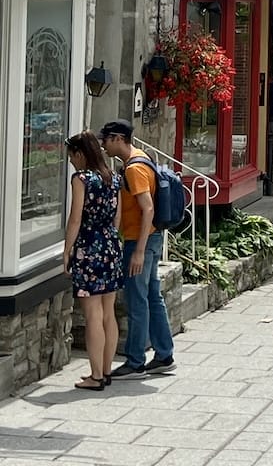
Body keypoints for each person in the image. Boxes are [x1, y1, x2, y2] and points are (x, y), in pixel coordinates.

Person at [98, 120, 175, 377]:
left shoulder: (133, 169)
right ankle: (164, 355)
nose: (103, 145)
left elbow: (148, 208)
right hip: (152, 238)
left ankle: (135, 361)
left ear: (119, 138)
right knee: (153, 296)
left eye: (106, 139)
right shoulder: (143, 157)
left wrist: (139, 250)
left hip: (140, 240)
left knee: (137, 300)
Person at [63, 131, 124, 390]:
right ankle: (107, 370)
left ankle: (95, 375)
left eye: (72, 157)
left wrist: (67, 250)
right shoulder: (113, 178)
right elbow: (117, 217)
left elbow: (75, 218)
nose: (71, 162)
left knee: (92, 314)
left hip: (88, 246)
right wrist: (110, 238)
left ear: (80, 154)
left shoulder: (81, 179)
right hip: (110, 244)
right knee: (108, 312)